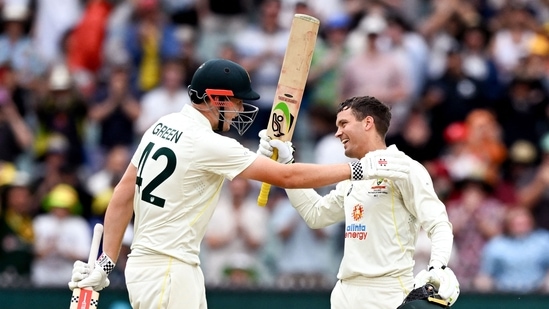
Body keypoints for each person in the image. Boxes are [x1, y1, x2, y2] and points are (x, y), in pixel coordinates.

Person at [67, 59, 410, 309]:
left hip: (147, 268)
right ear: (216, 98)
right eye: (236, 102)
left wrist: (106, 264)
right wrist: (357, 170)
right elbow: (287, 177)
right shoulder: (209, 144)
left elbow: (124, 193)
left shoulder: (163, 124)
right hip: (171, 271)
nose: (240, 110)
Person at [257, 96, 460, 309]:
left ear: (368, 123)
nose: (337, 133)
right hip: (345, 293)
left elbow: (438, 224)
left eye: (344, 124)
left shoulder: (404, 167)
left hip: (386, 294)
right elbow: (316, 215)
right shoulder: (354, 175)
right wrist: (286, 163)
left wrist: (437, 266)